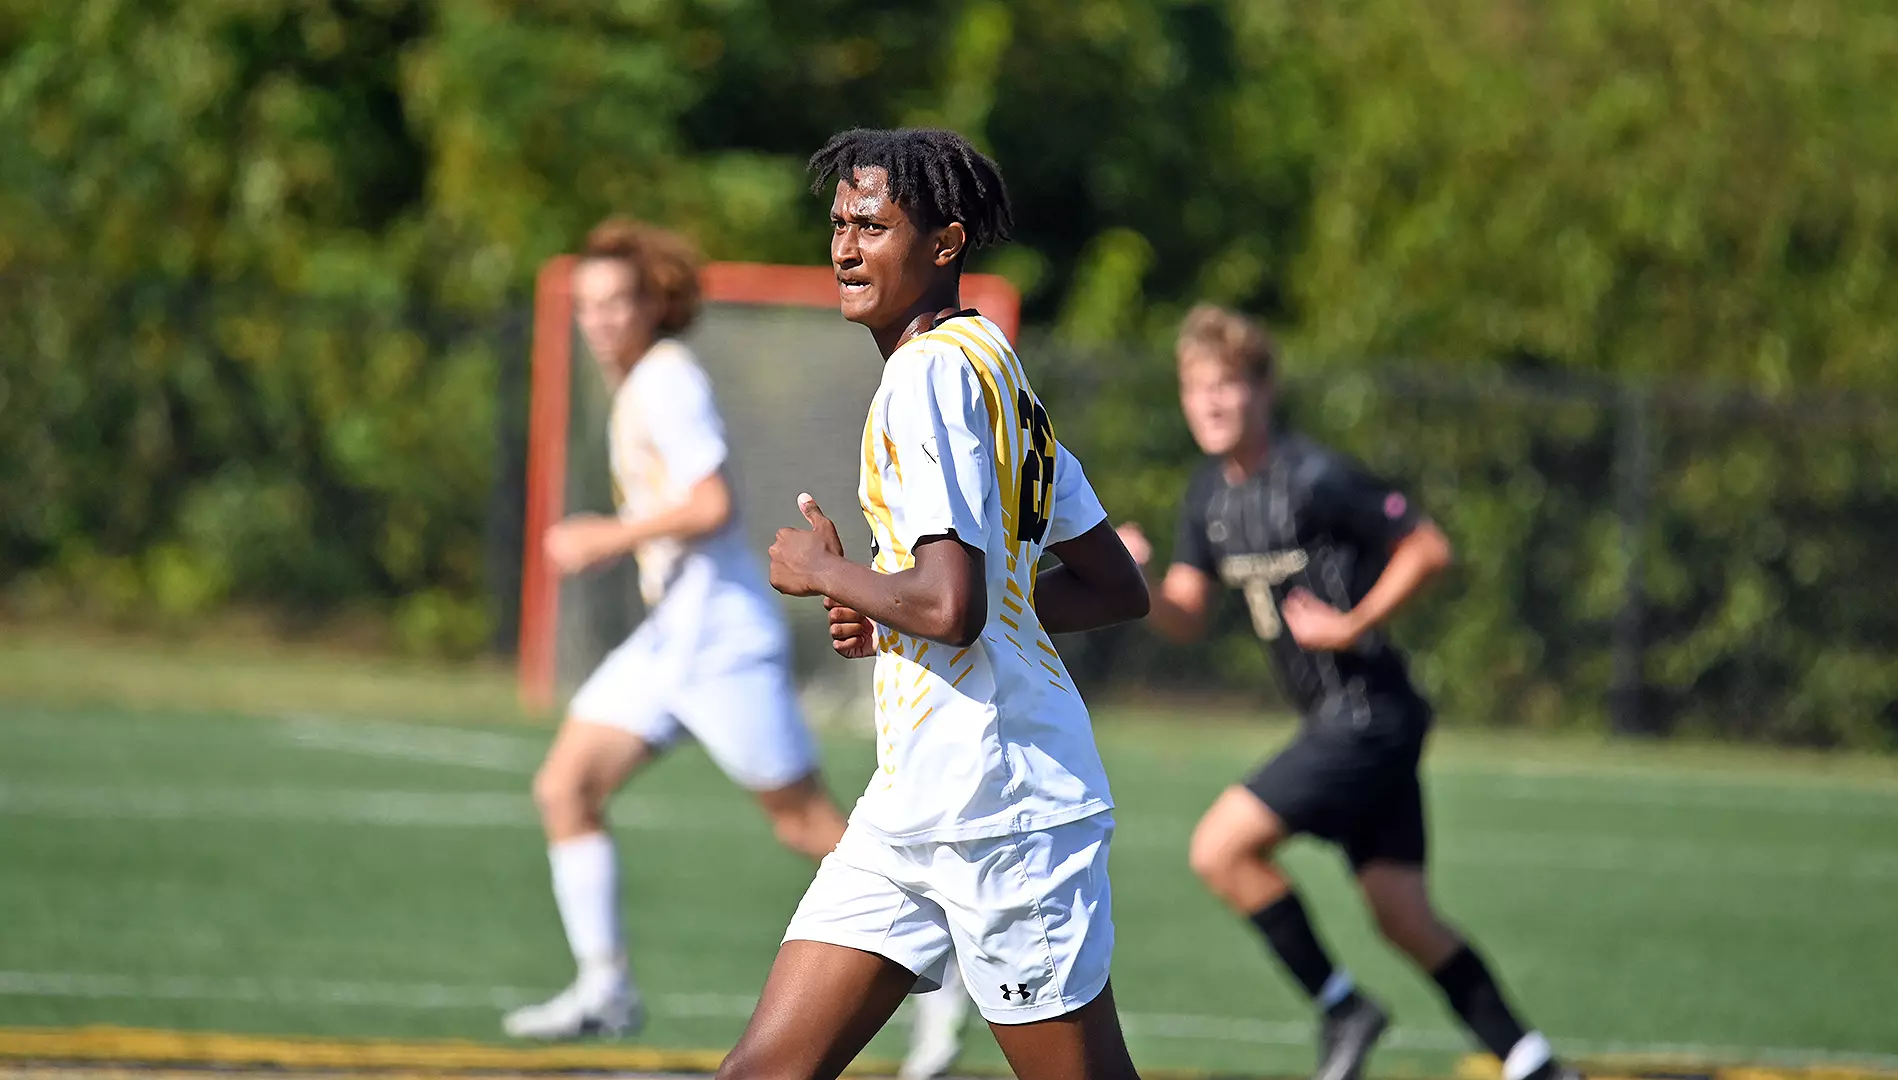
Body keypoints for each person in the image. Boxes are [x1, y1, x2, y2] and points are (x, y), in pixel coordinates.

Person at [726, 127, 1151, 1080]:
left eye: (873, 225)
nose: (844, 248)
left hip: (1003, 811)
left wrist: (824, 573)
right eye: (838, 223)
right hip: (915, 803)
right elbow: (1108, 584)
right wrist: (891, 613)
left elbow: (952, 603)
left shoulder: (925, 376)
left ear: (946, 244)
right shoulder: (995, 370)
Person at [502, 218, 970, 1058]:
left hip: (719, 643)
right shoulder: (638, 383)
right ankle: (604, 986)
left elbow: (711, 503)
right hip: (670, 639)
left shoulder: (666, 379)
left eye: (618, 301)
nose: (600, 319)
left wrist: (602, 537)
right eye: (588, 305)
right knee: (566, 787)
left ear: (657, 304)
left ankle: (949, 959)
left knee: (806, 826)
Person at [1116, 305, 1580, 1080]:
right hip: (1354, 723)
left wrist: (1355, 621)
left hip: (1367, 714)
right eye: (1196, 389)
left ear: (1264, 390)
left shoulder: (1314, 475)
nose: (1211, 404)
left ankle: (1343, 1008)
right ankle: (1535, 1064)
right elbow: (1188, 616)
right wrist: (1134, 584)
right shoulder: (1207, 496)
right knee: (1404, 916)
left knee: (1220, 848)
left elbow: (1428, 547)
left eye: (1227, 385)